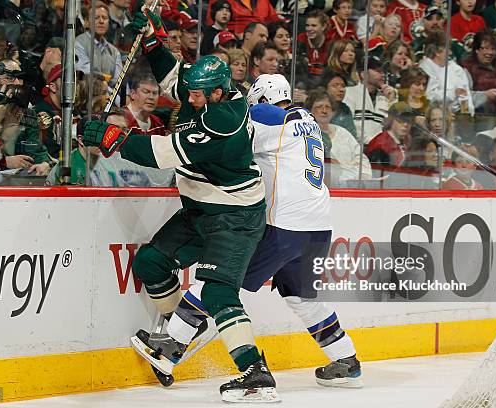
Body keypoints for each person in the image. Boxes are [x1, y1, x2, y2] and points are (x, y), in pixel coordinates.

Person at [82, 8, 278, 403]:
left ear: (218, 93)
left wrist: (113, 138)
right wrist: (153, 42)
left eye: (197, 95)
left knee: (219, 294)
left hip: (234, 217)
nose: (187, 98)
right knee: (150, 263)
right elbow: (174, 75)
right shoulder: (204, 88)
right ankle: (176, 337)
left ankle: (256, 374)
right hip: (200, 209)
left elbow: (163, 152)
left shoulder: (223, 122)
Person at [140, 74, 364, 389]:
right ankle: (346, 358)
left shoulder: (264, 115)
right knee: (302, 297)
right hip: (318, 227)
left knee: (217, 281)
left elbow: (223, 133)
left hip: (281, 226)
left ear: (259, 100)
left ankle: (170, 347)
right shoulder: (307, 119)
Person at [307, 89, 372, 184]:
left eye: (328, 107)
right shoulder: (307, 135)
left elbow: (362, 161)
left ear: (333, 112)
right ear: (310, 111)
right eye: (319, 107)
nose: (324, 111)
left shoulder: (343, 133)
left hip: (351, 188)